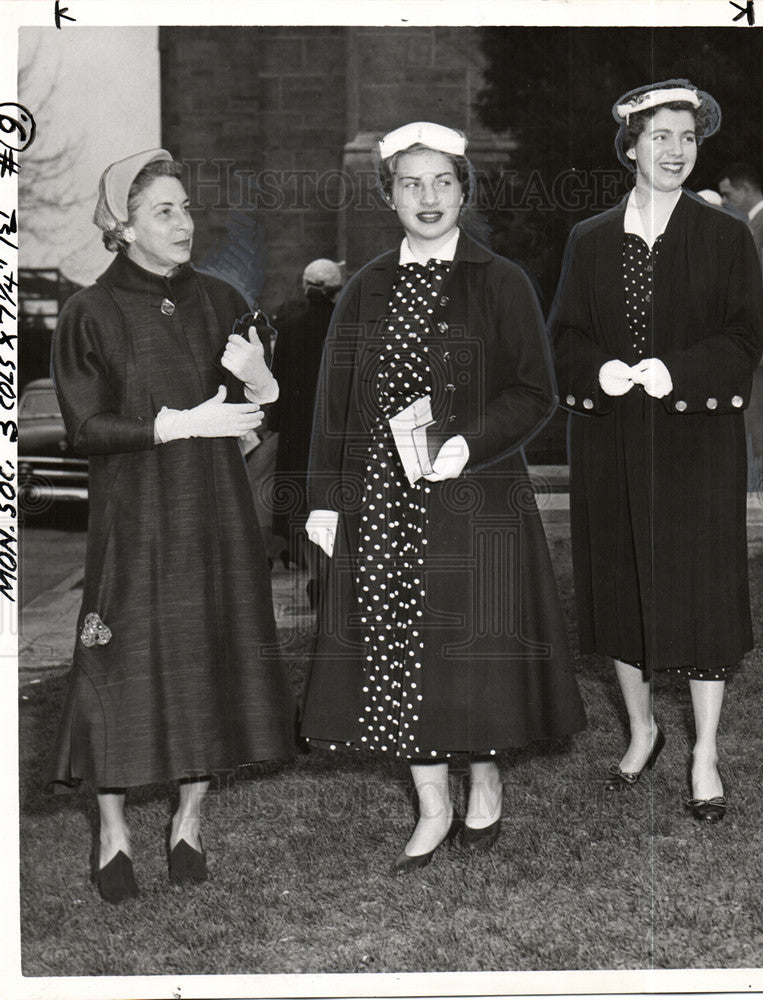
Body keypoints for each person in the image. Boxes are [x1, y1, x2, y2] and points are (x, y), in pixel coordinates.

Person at [300, 121, 586, 872]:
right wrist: (325, 500)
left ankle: (484, 786)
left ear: (464, 190)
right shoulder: (364, 288)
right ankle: (431, 806)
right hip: (385, 502)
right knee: (397, 650)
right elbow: (334, 403)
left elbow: (535, 391)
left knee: (472, 651)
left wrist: (468, 443)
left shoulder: (501, 281)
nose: (427, 199)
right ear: (388, 196)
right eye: (410, 184)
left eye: (442, 183)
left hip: (474, 496)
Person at [49, 149, 296, 902]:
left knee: (208, 659)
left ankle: (189, 821)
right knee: (118, 665)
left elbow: (256, 413)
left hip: (215, 512)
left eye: (187, 208)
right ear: (122, 226)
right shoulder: (88, 312)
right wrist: (179, 423)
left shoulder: (222, 299)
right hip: (136, 515)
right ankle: (113, 828)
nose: (185, 223)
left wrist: (264, 383)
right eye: (164, 211)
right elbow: (86, 427)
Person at [550, 81, 763, 823]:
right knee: (619, 582)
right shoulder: (590, 238)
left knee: (701, 589)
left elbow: (743, 341)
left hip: (695, 440)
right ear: (631, 146)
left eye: (688, 139)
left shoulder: (726, 235)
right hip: (609, 439)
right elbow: (564, 339)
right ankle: (643, 730)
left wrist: (675, 371)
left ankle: (704, 751)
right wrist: (599, 372)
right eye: (662, 137)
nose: (676, 151)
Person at [267, 258, 344, 585]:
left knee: (302, 512)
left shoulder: (290, 328)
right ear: (337, 291)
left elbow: (277, 389)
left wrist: (277, 427)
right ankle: (330, 578)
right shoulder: (345, 329)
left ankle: (315, 575)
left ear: (305, 285)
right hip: (337, 437)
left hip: (298, 438)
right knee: (336, 507)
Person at [719, 162, 763, 486]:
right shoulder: (756, 222)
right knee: (758, 424)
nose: (725, 201)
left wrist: (740, 281)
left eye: (728, 194)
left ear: (745, 189)